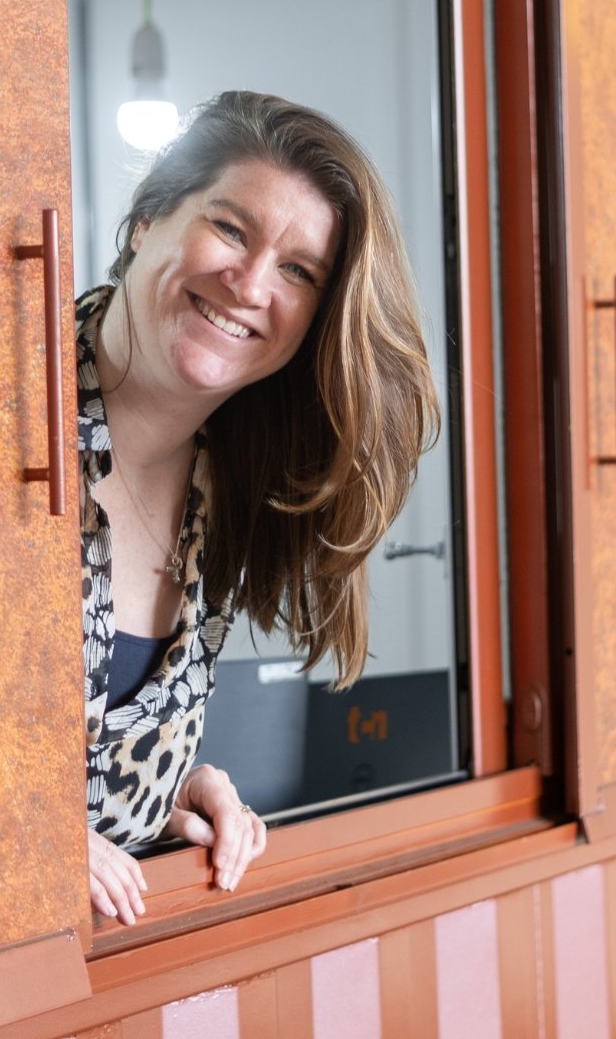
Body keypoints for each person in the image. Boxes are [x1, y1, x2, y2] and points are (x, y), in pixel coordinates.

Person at [78, 90, 440, 926]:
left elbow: (73, 775)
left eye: (298, 270)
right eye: (232, 230)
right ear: (147, 220)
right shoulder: (6, 421)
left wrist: (166, 792)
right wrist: (12, 838)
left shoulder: (232, 484)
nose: (247, 284)